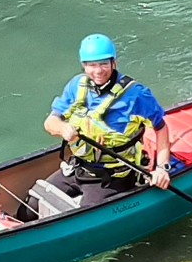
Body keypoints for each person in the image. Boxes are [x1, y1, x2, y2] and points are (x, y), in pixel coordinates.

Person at [42, 33, 174, 207]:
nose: (98, 71)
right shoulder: (76, 86)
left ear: (114, 63)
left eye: (104, 63)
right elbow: (50, 123)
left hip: (115, 176)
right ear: (84, 66)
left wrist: (162, 168)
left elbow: (161, 128)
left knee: (85, 217)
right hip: (79, 168)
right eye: (92, 65)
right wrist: (63, 128)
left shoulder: (137, 95)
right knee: (29, 207)